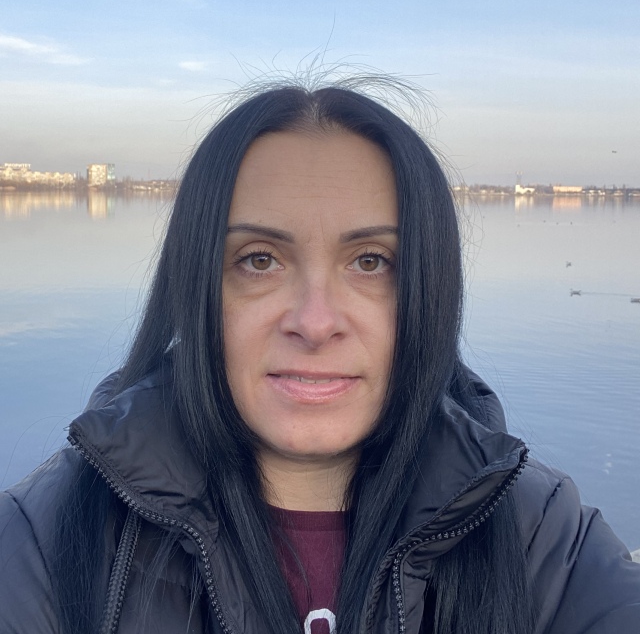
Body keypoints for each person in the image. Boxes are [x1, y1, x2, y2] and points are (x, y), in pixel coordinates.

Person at [1, 80, 638, 634]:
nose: (314, 322)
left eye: (371, 262)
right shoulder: (48, 537)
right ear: (195, 287)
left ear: (429, 290)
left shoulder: (540, 536)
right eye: (259, 260)